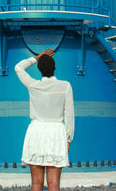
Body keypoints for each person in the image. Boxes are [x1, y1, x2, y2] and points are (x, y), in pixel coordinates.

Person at [15, 48, 74, 191]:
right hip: (56, 133)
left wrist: (37, 57)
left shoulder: (33, 85)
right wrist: (68, 138)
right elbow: (69, 114)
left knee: (36, 183)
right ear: (55, 68)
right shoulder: (65, 86)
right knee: (54, 184)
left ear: (39, 70)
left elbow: (18, 67)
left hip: (36, 132)